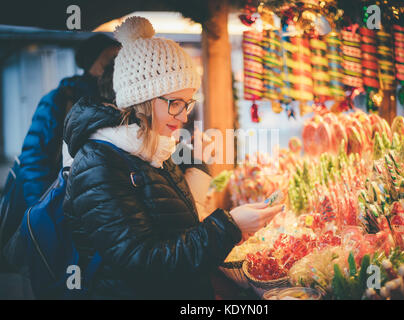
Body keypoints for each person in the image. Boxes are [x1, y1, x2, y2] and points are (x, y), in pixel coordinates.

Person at [63, 17, 283, 300]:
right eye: (174, 103)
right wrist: (229, 227)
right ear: (142, 99)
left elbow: (176, 222)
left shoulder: (155, 147)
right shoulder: (99, 164)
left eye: (188, 102)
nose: (184, 115)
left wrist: (201, 169)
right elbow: (145, 263)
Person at [0, 34, 120, 250]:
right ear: (91, 64)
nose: (118, 65)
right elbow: (34, 159)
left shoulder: (116, 101)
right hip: (56, 206)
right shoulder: (60, 99)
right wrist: (41, 215)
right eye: (110, 60)